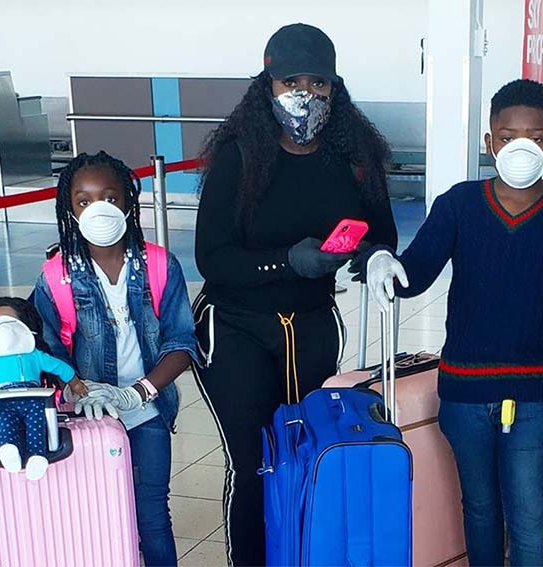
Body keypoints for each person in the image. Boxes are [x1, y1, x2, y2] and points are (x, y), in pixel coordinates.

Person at [363, 79, 543, 566]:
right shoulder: (460, 204)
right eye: (508, 136)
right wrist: (382, 260)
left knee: (531, 517)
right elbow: (415, 273)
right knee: (481, 510)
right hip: (464, 390)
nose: (521, 146)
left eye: (535, 135)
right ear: (489, 143)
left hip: (534, 393)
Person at [192, 23, 398, 565]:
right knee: (253, 461)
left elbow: (381, 231)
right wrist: (286, 261)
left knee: (308, 453)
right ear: (267, 84)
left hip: (310, 327)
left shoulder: (352, 158)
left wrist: (372, 254)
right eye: (291, 82)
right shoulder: (239, 158)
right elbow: (212, 258)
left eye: (318, 83)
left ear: (336, 87)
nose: (305, 96)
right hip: (236, 328)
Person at [33, 151, 199, 567]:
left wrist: (138, 392)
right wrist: (77, 388)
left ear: (128, 200)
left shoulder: (161, 265)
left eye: (109, 197)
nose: (98, 209)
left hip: (147, 415)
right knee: (94, 519)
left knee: (153, 519)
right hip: (85, 418)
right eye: (83, 201)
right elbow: (48, 349)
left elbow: (181, 342)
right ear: (69, 209)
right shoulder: (56, 275)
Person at [0, 297, 86, 480]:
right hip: (2, 400)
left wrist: (74, 382)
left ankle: (37, 456)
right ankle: (8, 448)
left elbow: (58, 367)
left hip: (35, 399)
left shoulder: (34, 355)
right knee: (4, 420)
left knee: (37, 422)